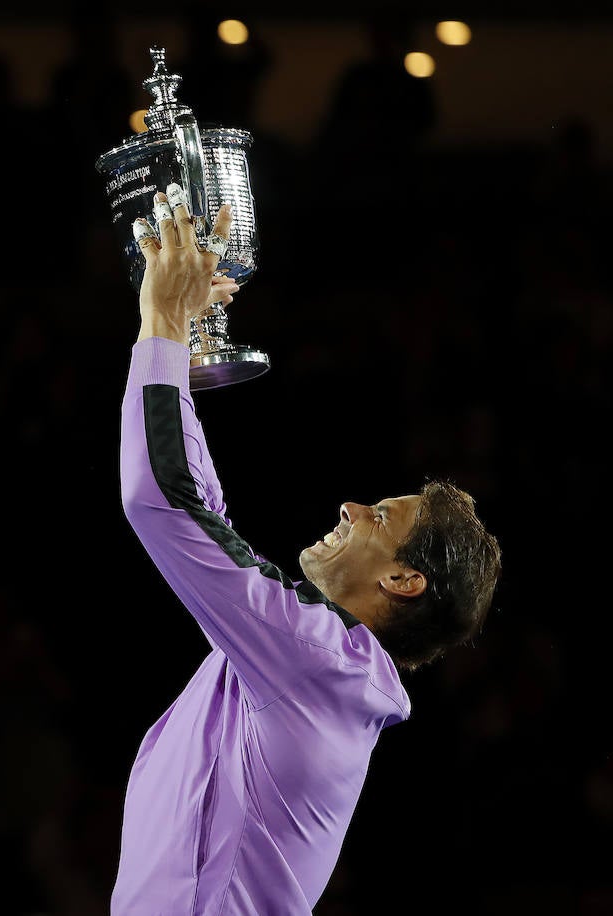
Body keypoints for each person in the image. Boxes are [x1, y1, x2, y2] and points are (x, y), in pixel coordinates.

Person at [112, 185, 501, 912]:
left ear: (404, 580)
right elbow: (202, 509)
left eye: (379, 517)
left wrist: (162, 318)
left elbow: (162, 501)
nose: (350, 507)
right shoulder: (309, 662)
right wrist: (180, 346)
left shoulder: (314, 659)